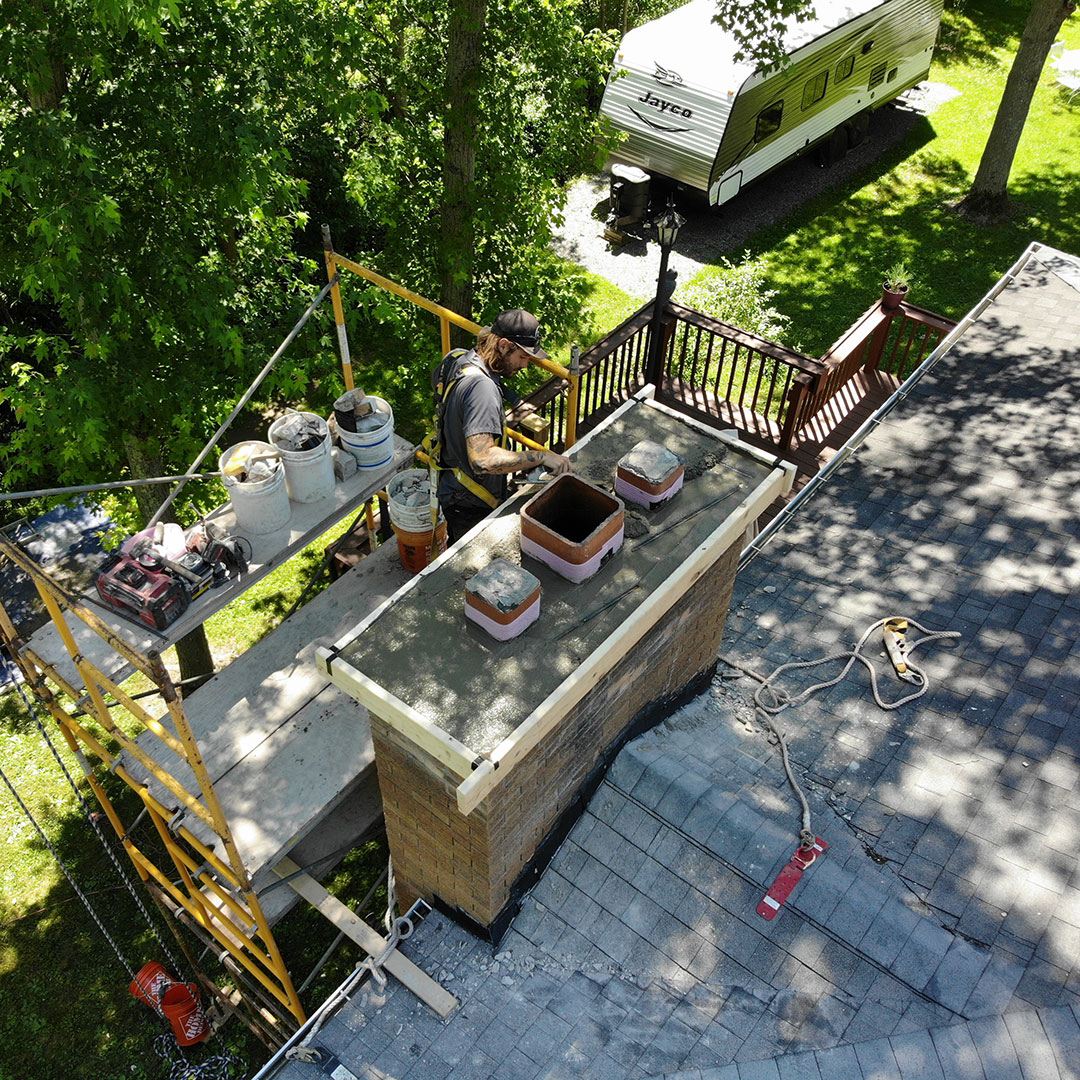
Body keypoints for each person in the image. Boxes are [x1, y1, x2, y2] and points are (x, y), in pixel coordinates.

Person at [434, 309, 572, 543]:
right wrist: (541, 457)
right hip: (470, 503)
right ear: (504, 345)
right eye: (523, 356)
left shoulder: (461, 359)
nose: (526, 365)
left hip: (451, 481)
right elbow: (483, 460)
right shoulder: (482, 390)